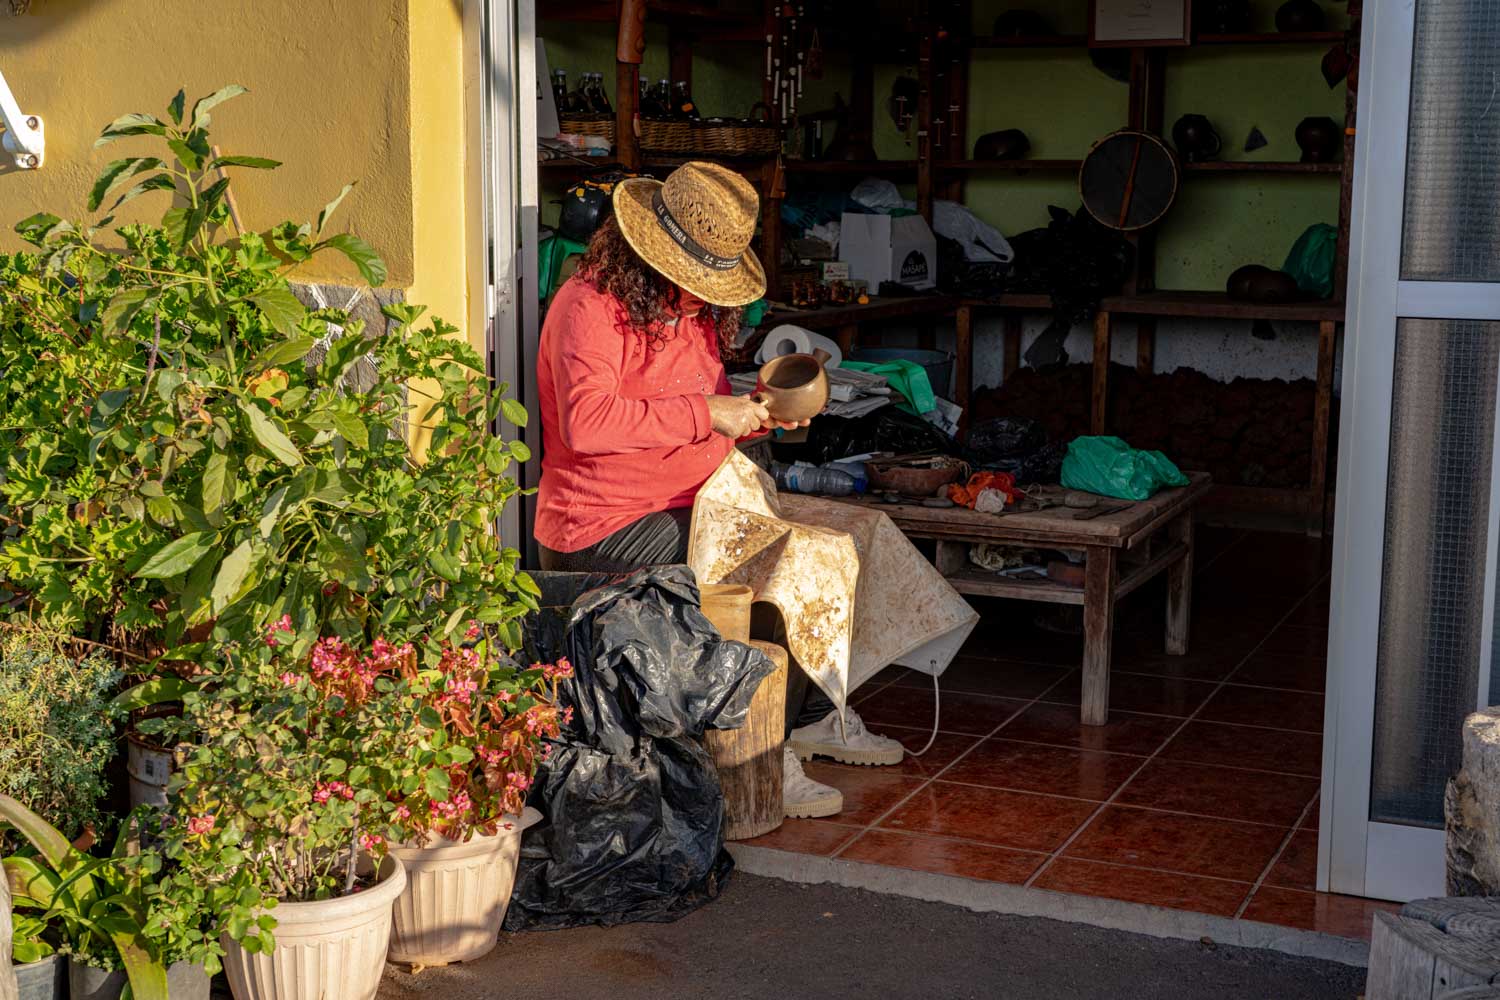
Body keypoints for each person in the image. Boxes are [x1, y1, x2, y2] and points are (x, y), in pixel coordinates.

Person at [534, 161, 903, 819]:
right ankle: (770, 751)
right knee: (784, 560)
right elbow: (586, 424)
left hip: (697, 499)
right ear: (648, 251)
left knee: (851, 534)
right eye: (695, 279)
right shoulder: (586, 307)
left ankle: (819, 712)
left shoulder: (688, 311)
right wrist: (712, 412)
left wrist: (755, 408)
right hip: (606, 521)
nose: (702, 294)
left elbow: (687, 404)